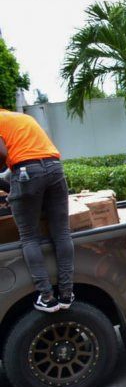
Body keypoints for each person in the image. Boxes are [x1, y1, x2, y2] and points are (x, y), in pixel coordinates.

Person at [0, 109, 74, 312]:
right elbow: (30, 156)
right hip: (55, 168)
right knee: (61, 232)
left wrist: (13, 190)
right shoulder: (21, 118)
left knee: (29, 237)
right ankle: (66, 294)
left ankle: (47, 297)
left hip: (26, 173)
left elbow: (3, 155)